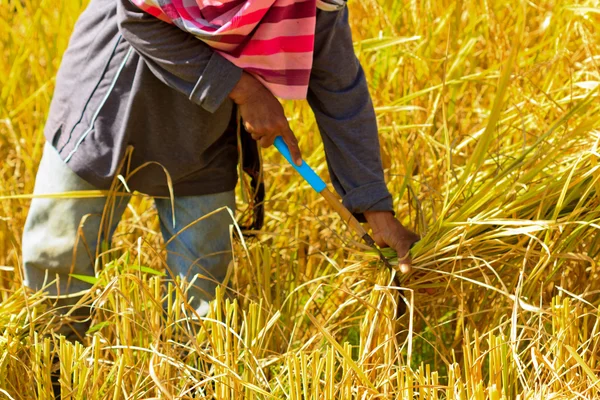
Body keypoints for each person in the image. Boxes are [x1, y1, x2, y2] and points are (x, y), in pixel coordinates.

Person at [21, 0, 420, 340]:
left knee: (202, 289)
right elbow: (137, 16)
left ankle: (186, 381)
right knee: (58, 252)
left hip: (206, 122)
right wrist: (247, 92)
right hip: (115, 91)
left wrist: (375, 207)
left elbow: (339, 88)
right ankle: (53, 368)